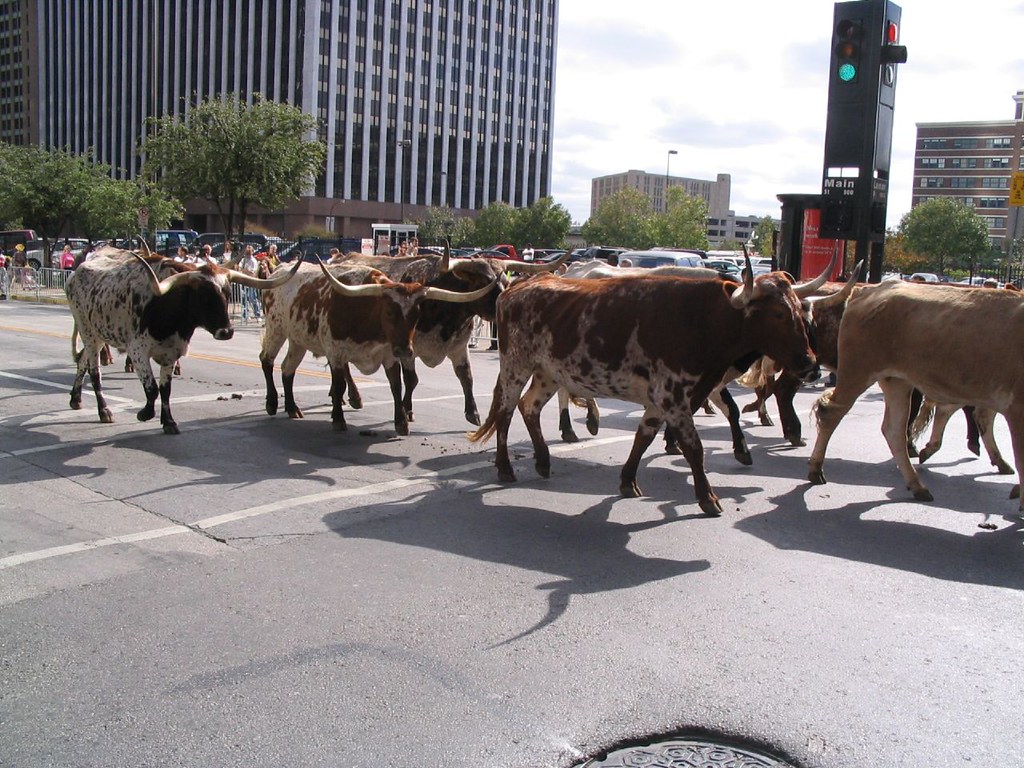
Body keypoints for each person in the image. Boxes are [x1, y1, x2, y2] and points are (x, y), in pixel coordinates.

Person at [238, 244, 262, 323]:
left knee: (253, 298)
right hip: (244, 281)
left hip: (251, 281)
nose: (248, 252)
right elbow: (240, 268)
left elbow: (252, 272)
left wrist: (245, 270)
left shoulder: (253, 261)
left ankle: (257, 314)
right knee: (245, 298)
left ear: (252, 252)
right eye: (247, 251)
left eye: (249, 251)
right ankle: (245, 314)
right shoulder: (243, 259)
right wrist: (244, 270)